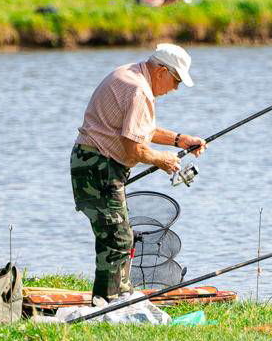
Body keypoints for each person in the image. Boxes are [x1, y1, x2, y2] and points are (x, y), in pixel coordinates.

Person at [71, 43, 206, 304]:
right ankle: (106, 305)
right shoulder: (138, 90)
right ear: (162, 71)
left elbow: (140, 129)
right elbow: (133, 150)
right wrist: (162, 159)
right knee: (117, 237)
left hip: (90, 163)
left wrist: (180, 140)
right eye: (176, 81)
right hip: (99, 166)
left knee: (119, 234)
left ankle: (120, 296)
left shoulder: (130, 74)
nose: (175, 88)